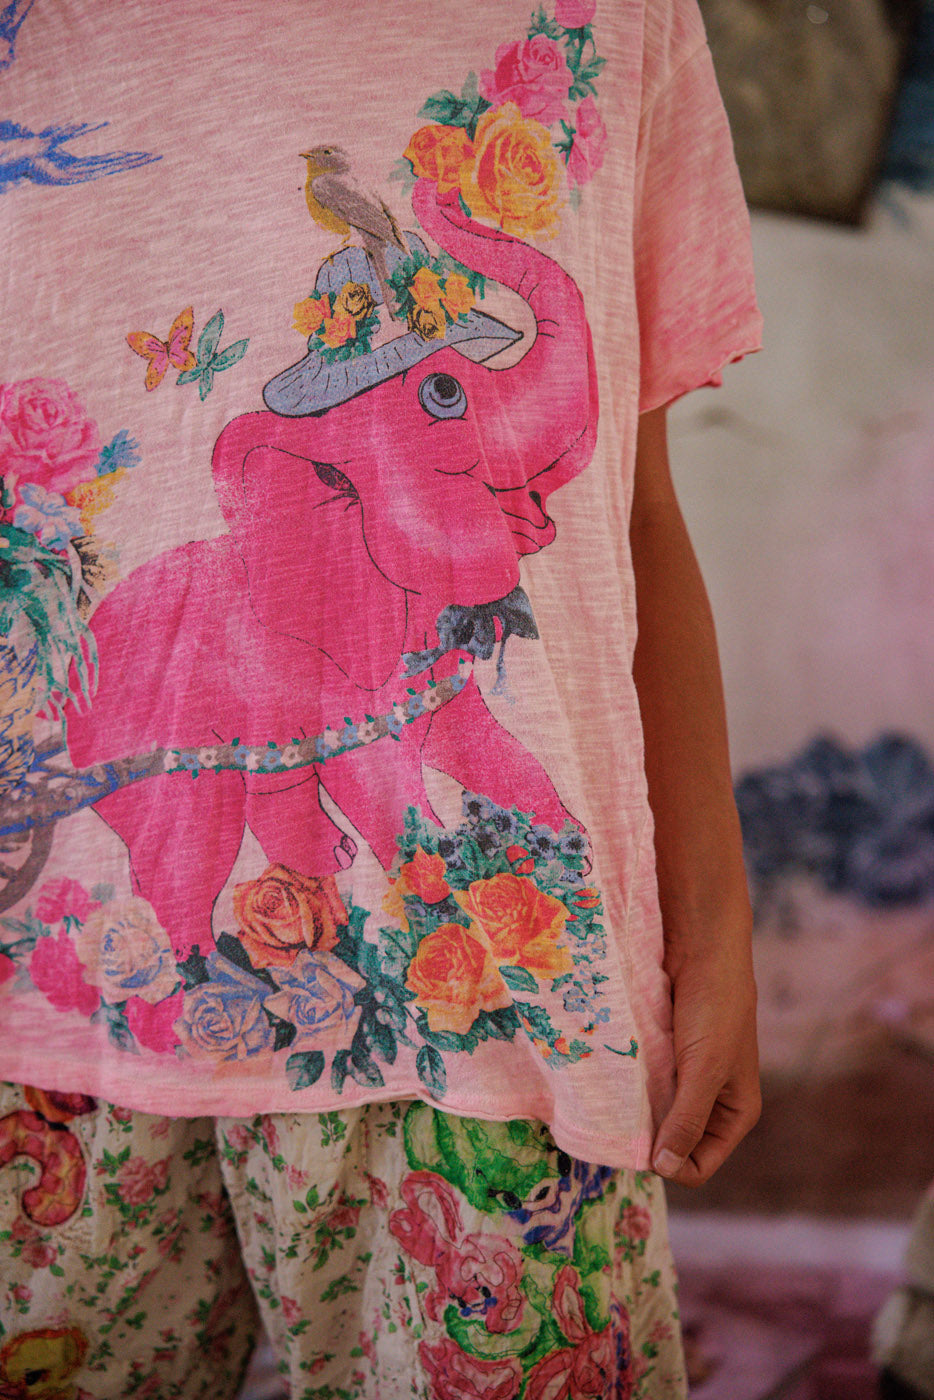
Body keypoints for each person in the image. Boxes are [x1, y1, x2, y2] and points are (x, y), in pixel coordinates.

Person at [0, 0, 761, 1394]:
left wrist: (712, 925)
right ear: (318, 468)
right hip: (41, 1033)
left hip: (505, 1033)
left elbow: (634, 513)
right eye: (444, 403)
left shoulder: (626, 14)